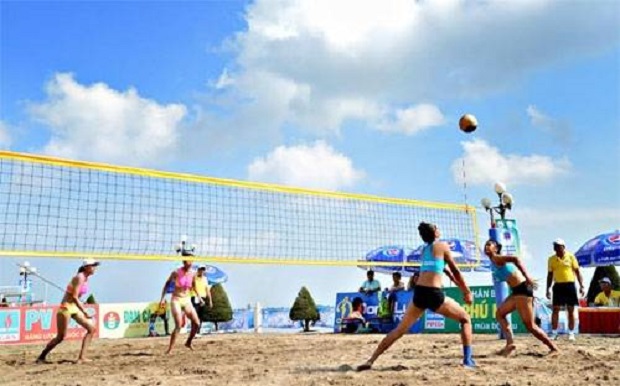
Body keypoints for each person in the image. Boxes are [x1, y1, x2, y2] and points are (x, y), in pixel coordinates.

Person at [357, 222, 476, 370]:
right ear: (435, 233)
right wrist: (467, 291)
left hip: (419, 292)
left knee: (399, 330)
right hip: (433, 293)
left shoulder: (424, 250)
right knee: (465, 319)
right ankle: (468, 361)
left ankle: (371, 360)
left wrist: (457, 283)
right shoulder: (442, 246)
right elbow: (456, 271)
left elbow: (444, 270)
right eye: (437, 227)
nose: (439, 229)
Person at [486, 240, 558, 356]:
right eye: (486, 245)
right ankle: (510, 344)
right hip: (516, 291)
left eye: (489, 245)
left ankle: (553, 348)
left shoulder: (497, 258)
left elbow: (515, 259)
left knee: (531, 326)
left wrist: (527, 277)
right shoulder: (492, 261)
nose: (486, 247)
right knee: (499, 314)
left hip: (522, 290)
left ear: (496, 249)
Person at [37, 259, 99, 364]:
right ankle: (41, 356)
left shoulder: (85, 278)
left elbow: (75, 296)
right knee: (61, 337)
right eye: (93, 265)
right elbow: (74, 297)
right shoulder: (79, 277)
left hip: (73, 307)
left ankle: (81, 358)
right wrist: (84, 311)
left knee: (91, 329)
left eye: (95, 265)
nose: (95, 268)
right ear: (86, 267)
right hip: (66, 308)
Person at [160, 260, 204, 354]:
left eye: (191, 262)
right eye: (188, 262)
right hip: (176, 299)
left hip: (186, 299)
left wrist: (199, 297)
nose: (190, 263)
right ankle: (170, 349)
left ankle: (188, 342)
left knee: (197, 323)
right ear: (184, 262)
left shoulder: (192, 273)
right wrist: (162, 298)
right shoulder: (176, 272)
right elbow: (166, 284)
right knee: (178, 325)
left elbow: (193, 286)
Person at [546, 238, 584, 340]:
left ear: (563, 247)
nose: (556, 248)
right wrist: (547, 289)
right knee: (555, 309)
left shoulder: (571, 257)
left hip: (570, 285)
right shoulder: (551, 259)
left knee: (570, 310)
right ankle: (554, 333)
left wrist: (581, 286)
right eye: (555, 246)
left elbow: (577, 272)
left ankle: (571, 333)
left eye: (558, 246)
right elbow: (549, 275)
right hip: (558, 286)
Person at [191, 265, 213, 332]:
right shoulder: (194, 277)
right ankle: (194, 331)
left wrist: (210, 301)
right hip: (195, 297)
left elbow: (207, 290)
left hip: (203, 298)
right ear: (198, 270)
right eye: (201, 269)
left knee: (201, 315)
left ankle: (198, 331)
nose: (202, 271)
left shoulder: (205, 279)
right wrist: (199, 297)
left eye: (203, 270)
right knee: (195, 315)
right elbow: (194, 287)